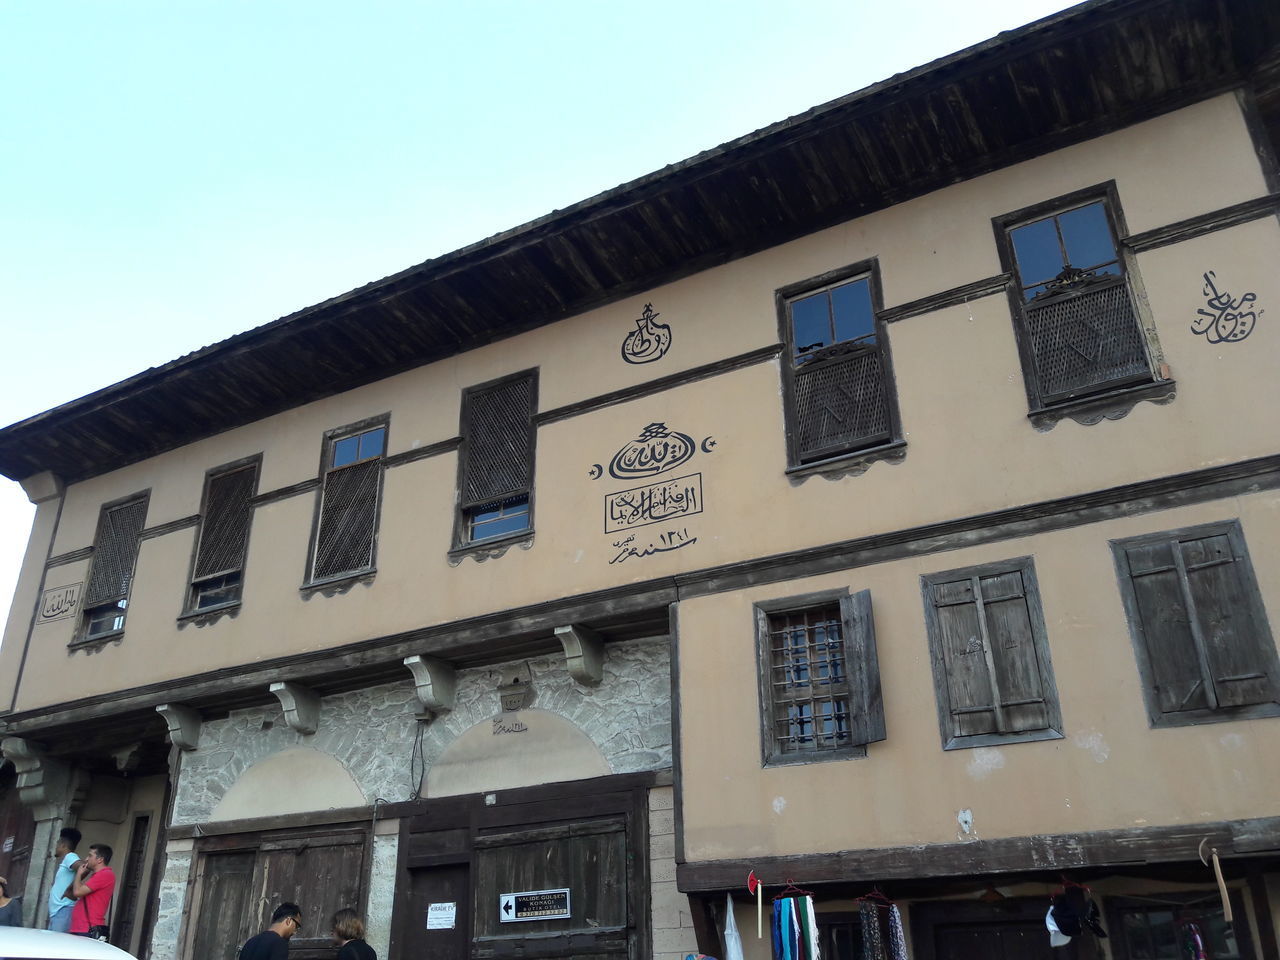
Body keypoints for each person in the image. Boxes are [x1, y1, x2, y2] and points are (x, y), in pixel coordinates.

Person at [68, 843, 115, 939]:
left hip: (87, 928)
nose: (86, 859)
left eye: (90, 856)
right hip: (82, 928)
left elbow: (77, 892)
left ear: (100, 859)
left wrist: (79, 874)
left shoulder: (105, 875)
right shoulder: (99, 875)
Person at [47, 826, 82, 932]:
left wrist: (70, 889)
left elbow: (83, 867)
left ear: (63, 845)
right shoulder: (67, 859)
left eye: (57, 843)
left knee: (57, 946)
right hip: (58, 912)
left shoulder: (70, 857)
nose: (56, 846)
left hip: (63, 910)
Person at [239, 902, 303, 959]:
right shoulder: (279, 944)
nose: (295, 932)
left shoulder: (249, 943)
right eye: (296, 926)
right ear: (288, 921)